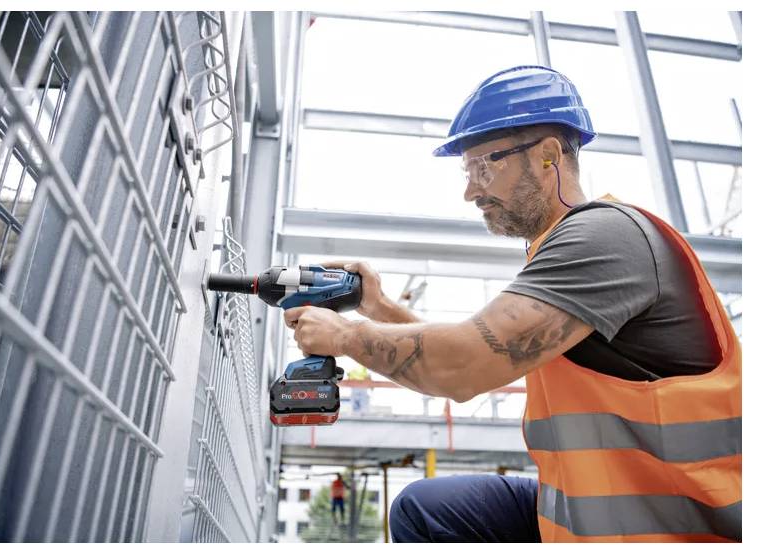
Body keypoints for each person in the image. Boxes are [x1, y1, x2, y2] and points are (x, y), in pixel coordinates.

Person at [283, 66, 741, 542]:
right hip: (602, 512)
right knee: (430, 509)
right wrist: (377, 307)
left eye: (485, 165)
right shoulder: (559, 251)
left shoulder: (603, 238)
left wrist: (347, 336)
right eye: (468, 171)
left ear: (547, 156)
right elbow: (476, 357)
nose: (470, 190)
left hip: (675, 530)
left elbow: (466, 365)